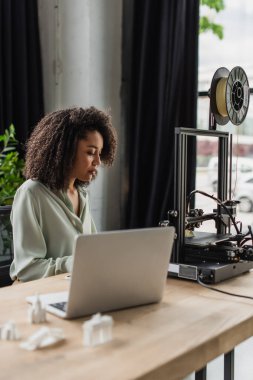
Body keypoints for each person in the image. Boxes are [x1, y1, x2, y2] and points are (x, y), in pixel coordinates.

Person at [9, 106, 117, 282]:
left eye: (99, 154)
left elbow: (92, 251)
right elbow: (27, 269)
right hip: (38, 296)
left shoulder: (81, 194)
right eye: (90, 152)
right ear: (65, 150)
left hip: (76, 288)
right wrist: (74, 263)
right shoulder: (31, 193)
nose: (97, 161)